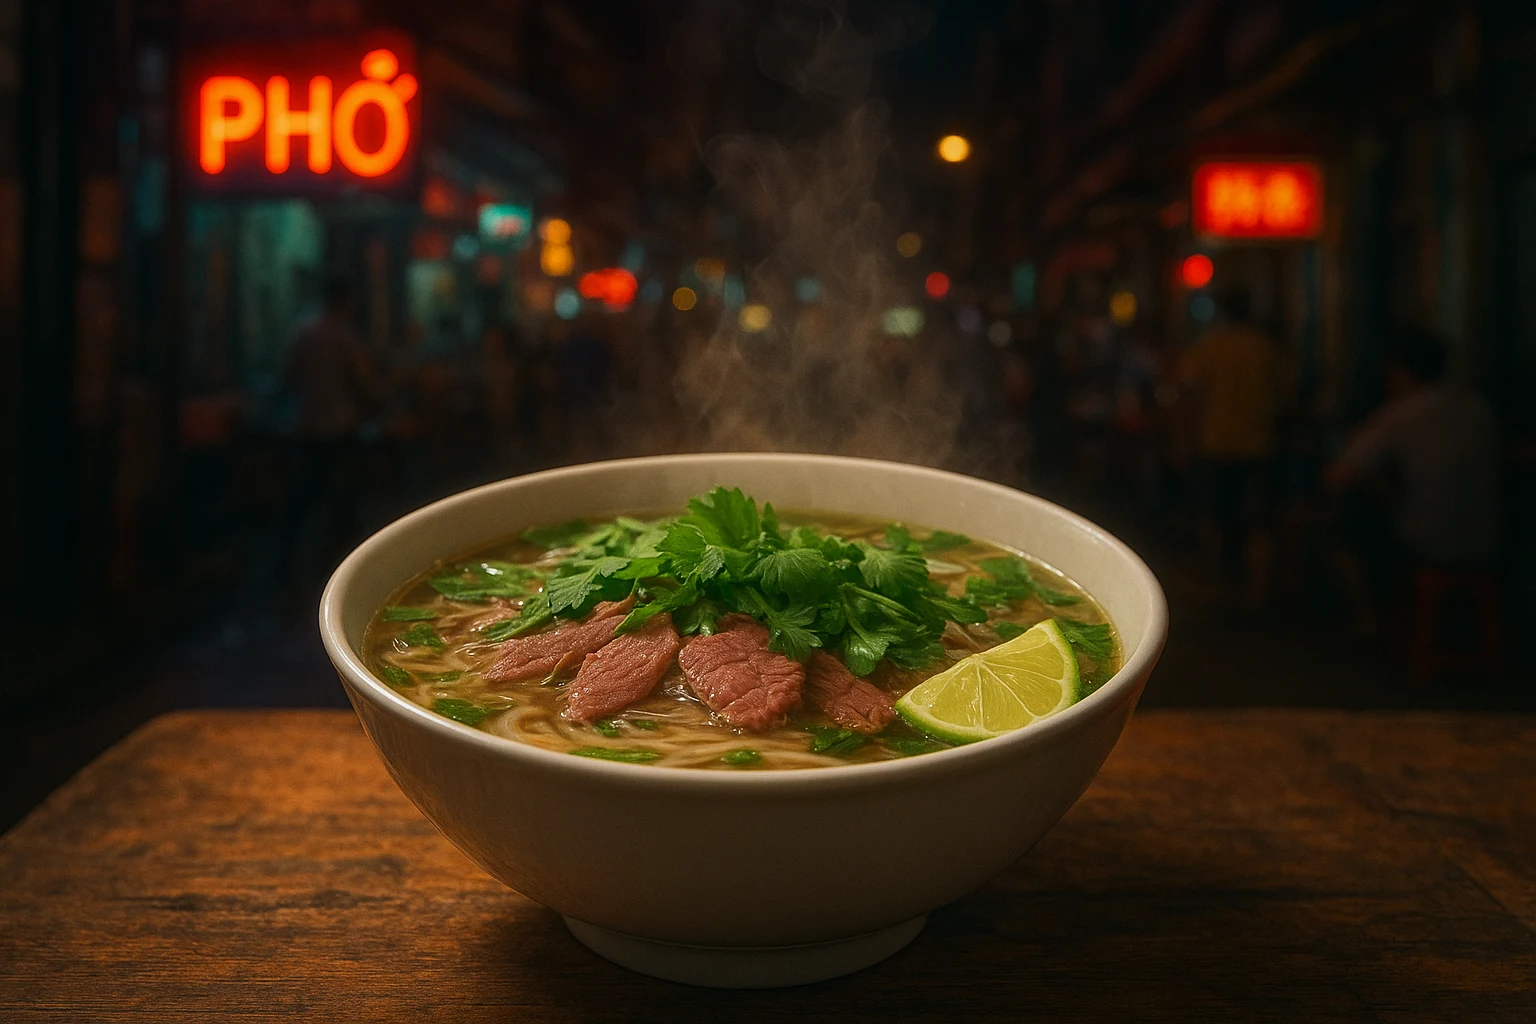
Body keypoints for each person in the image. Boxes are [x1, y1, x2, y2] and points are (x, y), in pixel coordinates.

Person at [1325, 330, 1500, 625]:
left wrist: (1381, 486)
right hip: (1491, 539)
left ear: (1401, 371)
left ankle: (1370, 619)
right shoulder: (1478, 407)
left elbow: (1338, 475)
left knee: (1347, 524)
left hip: (1429, 540)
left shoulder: (1403, 411)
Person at [1177, 287, 1283, 604]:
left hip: (1215, 446)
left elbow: (1187, 393)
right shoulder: (1266, 348)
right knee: (1256, 522)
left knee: (1215, 517)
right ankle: (1257, 591)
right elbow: (1285, 394)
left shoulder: (1210, 346)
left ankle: (1221, 582)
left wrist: (1182, 440)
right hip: (1259, 446)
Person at [277, 273, 375, 585]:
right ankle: (336, 574)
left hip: (307, 428)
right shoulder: (344, 337)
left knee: (301, 501)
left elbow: (287, 379)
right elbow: (363, 382)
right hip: (339, 430)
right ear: (347, 302)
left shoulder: (303, 333)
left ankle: (288, 568)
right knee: (341, 501)